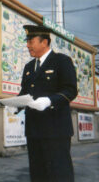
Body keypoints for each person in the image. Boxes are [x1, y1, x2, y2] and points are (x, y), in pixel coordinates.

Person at [19, 25, 78, 182]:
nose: (27, 45)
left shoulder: (62, 61)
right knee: (38, 174)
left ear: (44, 42)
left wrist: (49, 101)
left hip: (56, 130)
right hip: (34, 129)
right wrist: (15, 103)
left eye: (31, 41)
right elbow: (25, 92)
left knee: (59, 174)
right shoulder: (29, 67)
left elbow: (70, 90)